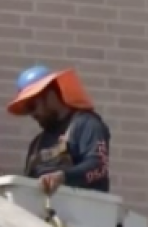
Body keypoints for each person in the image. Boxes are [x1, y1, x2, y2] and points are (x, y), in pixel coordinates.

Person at [7, 65, 110, 194]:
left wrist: (63, 177)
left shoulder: (87, 125)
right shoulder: (37, 144)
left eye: (32, 106)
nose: (32, 114)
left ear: (50, 96)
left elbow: (99, 167)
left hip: (83, 210)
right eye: (28, 109)